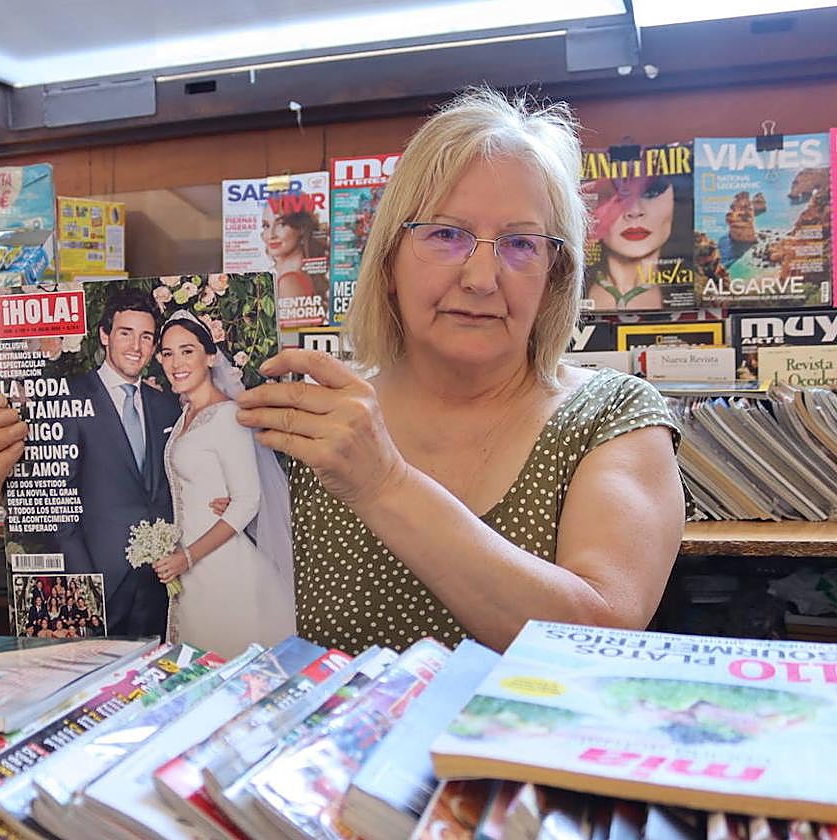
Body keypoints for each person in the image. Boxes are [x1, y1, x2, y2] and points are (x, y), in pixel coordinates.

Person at [234, 87, 687, 653]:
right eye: (447, 235)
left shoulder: (611, 415)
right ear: (388, 263)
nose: (480, 277)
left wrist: (384, 484)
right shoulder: (310, 427)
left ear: (554, 279)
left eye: (521, 244)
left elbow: (596, 640)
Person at [0, 288, 225, 639]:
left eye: (146, 337)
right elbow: (57, 502)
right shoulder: (67, 397)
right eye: (125, 333)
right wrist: (84, 591)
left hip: (162, 585)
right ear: (104, 336)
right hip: (99, 582)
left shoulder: (166, 406)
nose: (136, 347)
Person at [151, 309, 296, 657]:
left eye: (187, 351)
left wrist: (188, 557)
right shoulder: (186, 414)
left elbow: (247, 500)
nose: (176, 363)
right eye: (167, 353)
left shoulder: (228, 416)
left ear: (210, 356)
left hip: (220, 565)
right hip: (191, 569)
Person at [584, 167, 691, 311]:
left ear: (676, 201)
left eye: (651, 192)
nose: (634, 211)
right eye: (617, 196)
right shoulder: (563, 291)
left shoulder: (704, 286)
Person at [262, 201, 324, 301]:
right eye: (266, 225)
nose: (271, 235)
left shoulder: (288, 282)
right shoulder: (298, 276)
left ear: (302, 228)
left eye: (281, 224)